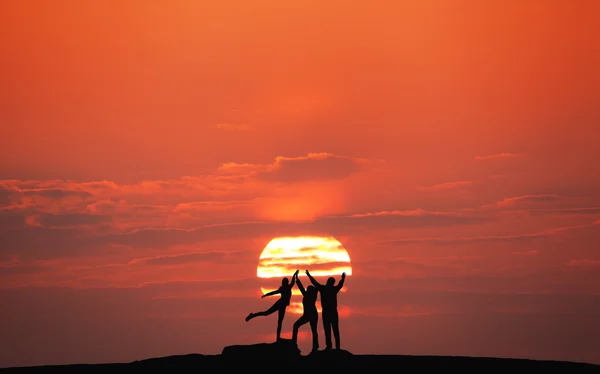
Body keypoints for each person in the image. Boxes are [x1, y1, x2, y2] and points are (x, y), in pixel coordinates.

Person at [246, 270, 299, 341]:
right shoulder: (284, 288)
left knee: (275, 319)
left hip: (282, 305)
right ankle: (252, 315)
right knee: (269, 315)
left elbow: (293, 281)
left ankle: (277, 338)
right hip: (280, 304)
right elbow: (274, 292)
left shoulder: (287, 287)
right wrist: (266, 294)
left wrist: (295, 275)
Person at [305, 270, 346, 350]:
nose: (328, 282)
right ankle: (333, 346)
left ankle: (333, 346)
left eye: (329, 281)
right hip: (330, 312)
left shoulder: (324, 289)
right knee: (330, 329)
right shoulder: (331, 289)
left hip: (329, 312)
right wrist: (343, 279)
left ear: (330, 282)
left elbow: (315, 283)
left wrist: (309, 276)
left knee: (332, 329)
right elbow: (340, 285)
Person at [291, 270, 319, 354]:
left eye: (308, 289)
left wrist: (297, 278)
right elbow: (302, 288)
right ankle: (315, 347)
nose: (306, 290)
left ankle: (314, 347)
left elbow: (302, 288)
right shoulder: (311, 295)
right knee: (313, 330)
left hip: (311, 315)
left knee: (298, 326)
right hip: (310, 314)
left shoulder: (309, 295)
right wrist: (297, 278)